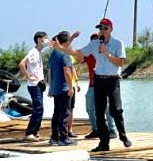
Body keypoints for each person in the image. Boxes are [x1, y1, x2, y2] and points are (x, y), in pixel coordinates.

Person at [53, 18, 130, 152]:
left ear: (111, 29)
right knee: (99, 113)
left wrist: (107, 53)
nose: (102, 31)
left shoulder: (118, 43)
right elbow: (79, 53)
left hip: (113, 80)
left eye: (105, 28)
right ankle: (103, 143)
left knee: (116, 110)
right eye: (100, 28)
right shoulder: (94, 44)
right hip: (99, 80)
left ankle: (123, 136)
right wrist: (61, 48)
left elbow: (121, 63)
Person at [81, 33, 116, 140]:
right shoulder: (89, 54)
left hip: (104, 84)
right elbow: (79, 57)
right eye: (92, 41)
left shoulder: (106, 52)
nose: (95, 43)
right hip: (92, 85)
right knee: (89, 108)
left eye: (96, 40)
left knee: (106, 107)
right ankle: (96, 129)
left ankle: (112, 130)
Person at [47, 30, 76, 146]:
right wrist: (70, 87)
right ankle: (64, 138)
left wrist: (50, 87)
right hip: (64, 88)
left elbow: (50, 71)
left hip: (56, 87)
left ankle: (54, 137)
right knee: (64, 113)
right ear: (67, 41)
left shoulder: (54, 53)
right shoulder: (65, 54)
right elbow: (67, 71)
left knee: (57, 113)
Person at [18, 31, 47, 142]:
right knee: (38, 108)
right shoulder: (33, 51)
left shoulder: (39, 52)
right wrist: (28, 76)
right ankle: (29, 133)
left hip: (39, 84)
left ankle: (35, 132)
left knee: (40, 108)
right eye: (45, 38)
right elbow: (22, 64)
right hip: (34, 85)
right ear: (39, 39)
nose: (46, 40)